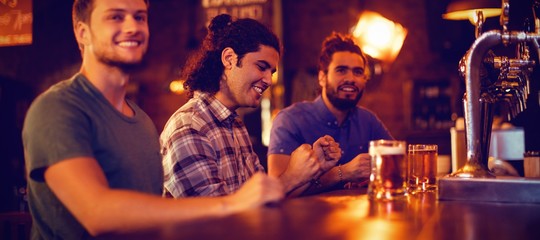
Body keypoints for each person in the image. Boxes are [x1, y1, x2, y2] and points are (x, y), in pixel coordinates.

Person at [22, 1, 284, 239]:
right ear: (83, 33)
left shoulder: (143, 123)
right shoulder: (57, 108)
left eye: (140, 17)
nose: (132, 27)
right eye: (115, 17)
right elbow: (97, 213)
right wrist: (233, 203)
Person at [160, 14, 342, 198]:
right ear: (229, 59)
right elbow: (216, 219)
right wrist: (291, 176)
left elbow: (264, 199)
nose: (269, 80)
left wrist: (314, 167)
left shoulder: (235, 125)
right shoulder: (190, 126)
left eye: (271, 72)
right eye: (261, 67)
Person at [268, 32, 393, 195]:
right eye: (341, 70)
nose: (351, 78)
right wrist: (343, 173)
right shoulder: (290, 120)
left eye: (358, 72)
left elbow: (397, 165)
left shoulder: (368, 120)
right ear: (322, 77)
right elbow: (278, 188)